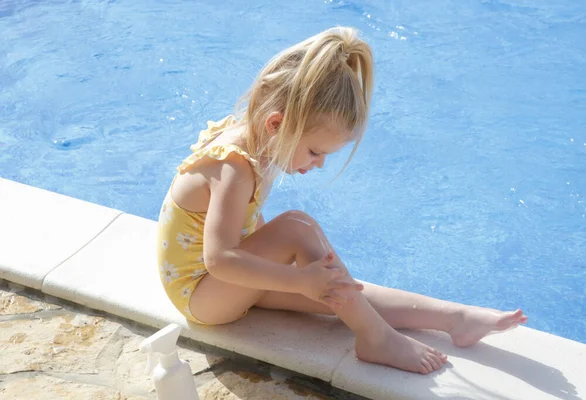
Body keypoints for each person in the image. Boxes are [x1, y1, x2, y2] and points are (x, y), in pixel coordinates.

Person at [156, 26, 527, 375]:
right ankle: (376, 339)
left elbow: (244, 228)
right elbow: (219, 260)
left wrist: (300, 277)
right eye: (316, 151)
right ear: (275, 124)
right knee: (298, 229)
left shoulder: (259, 142)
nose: (318, 165)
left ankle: (453, 318)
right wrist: (295, 279)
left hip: (230, 281)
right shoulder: (232, 166)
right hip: (200, 295)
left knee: (344, 292)